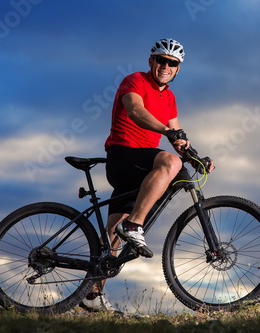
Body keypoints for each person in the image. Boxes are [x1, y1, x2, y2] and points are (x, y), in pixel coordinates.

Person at [80, 38, 214, 312]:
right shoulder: (135, 81)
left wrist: (197, 157)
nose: (166, 66)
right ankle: (135, 225)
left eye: (172, 63)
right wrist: (167, 133)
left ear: (178, 69)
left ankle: (91, 295)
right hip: (123, 157)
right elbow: (135, 110)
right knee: (170, 164)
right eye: (161, 60)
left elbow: (178, 137)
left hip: (139, 169)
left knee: (112, 240)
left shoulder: (170, 98)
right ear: (151, 61)